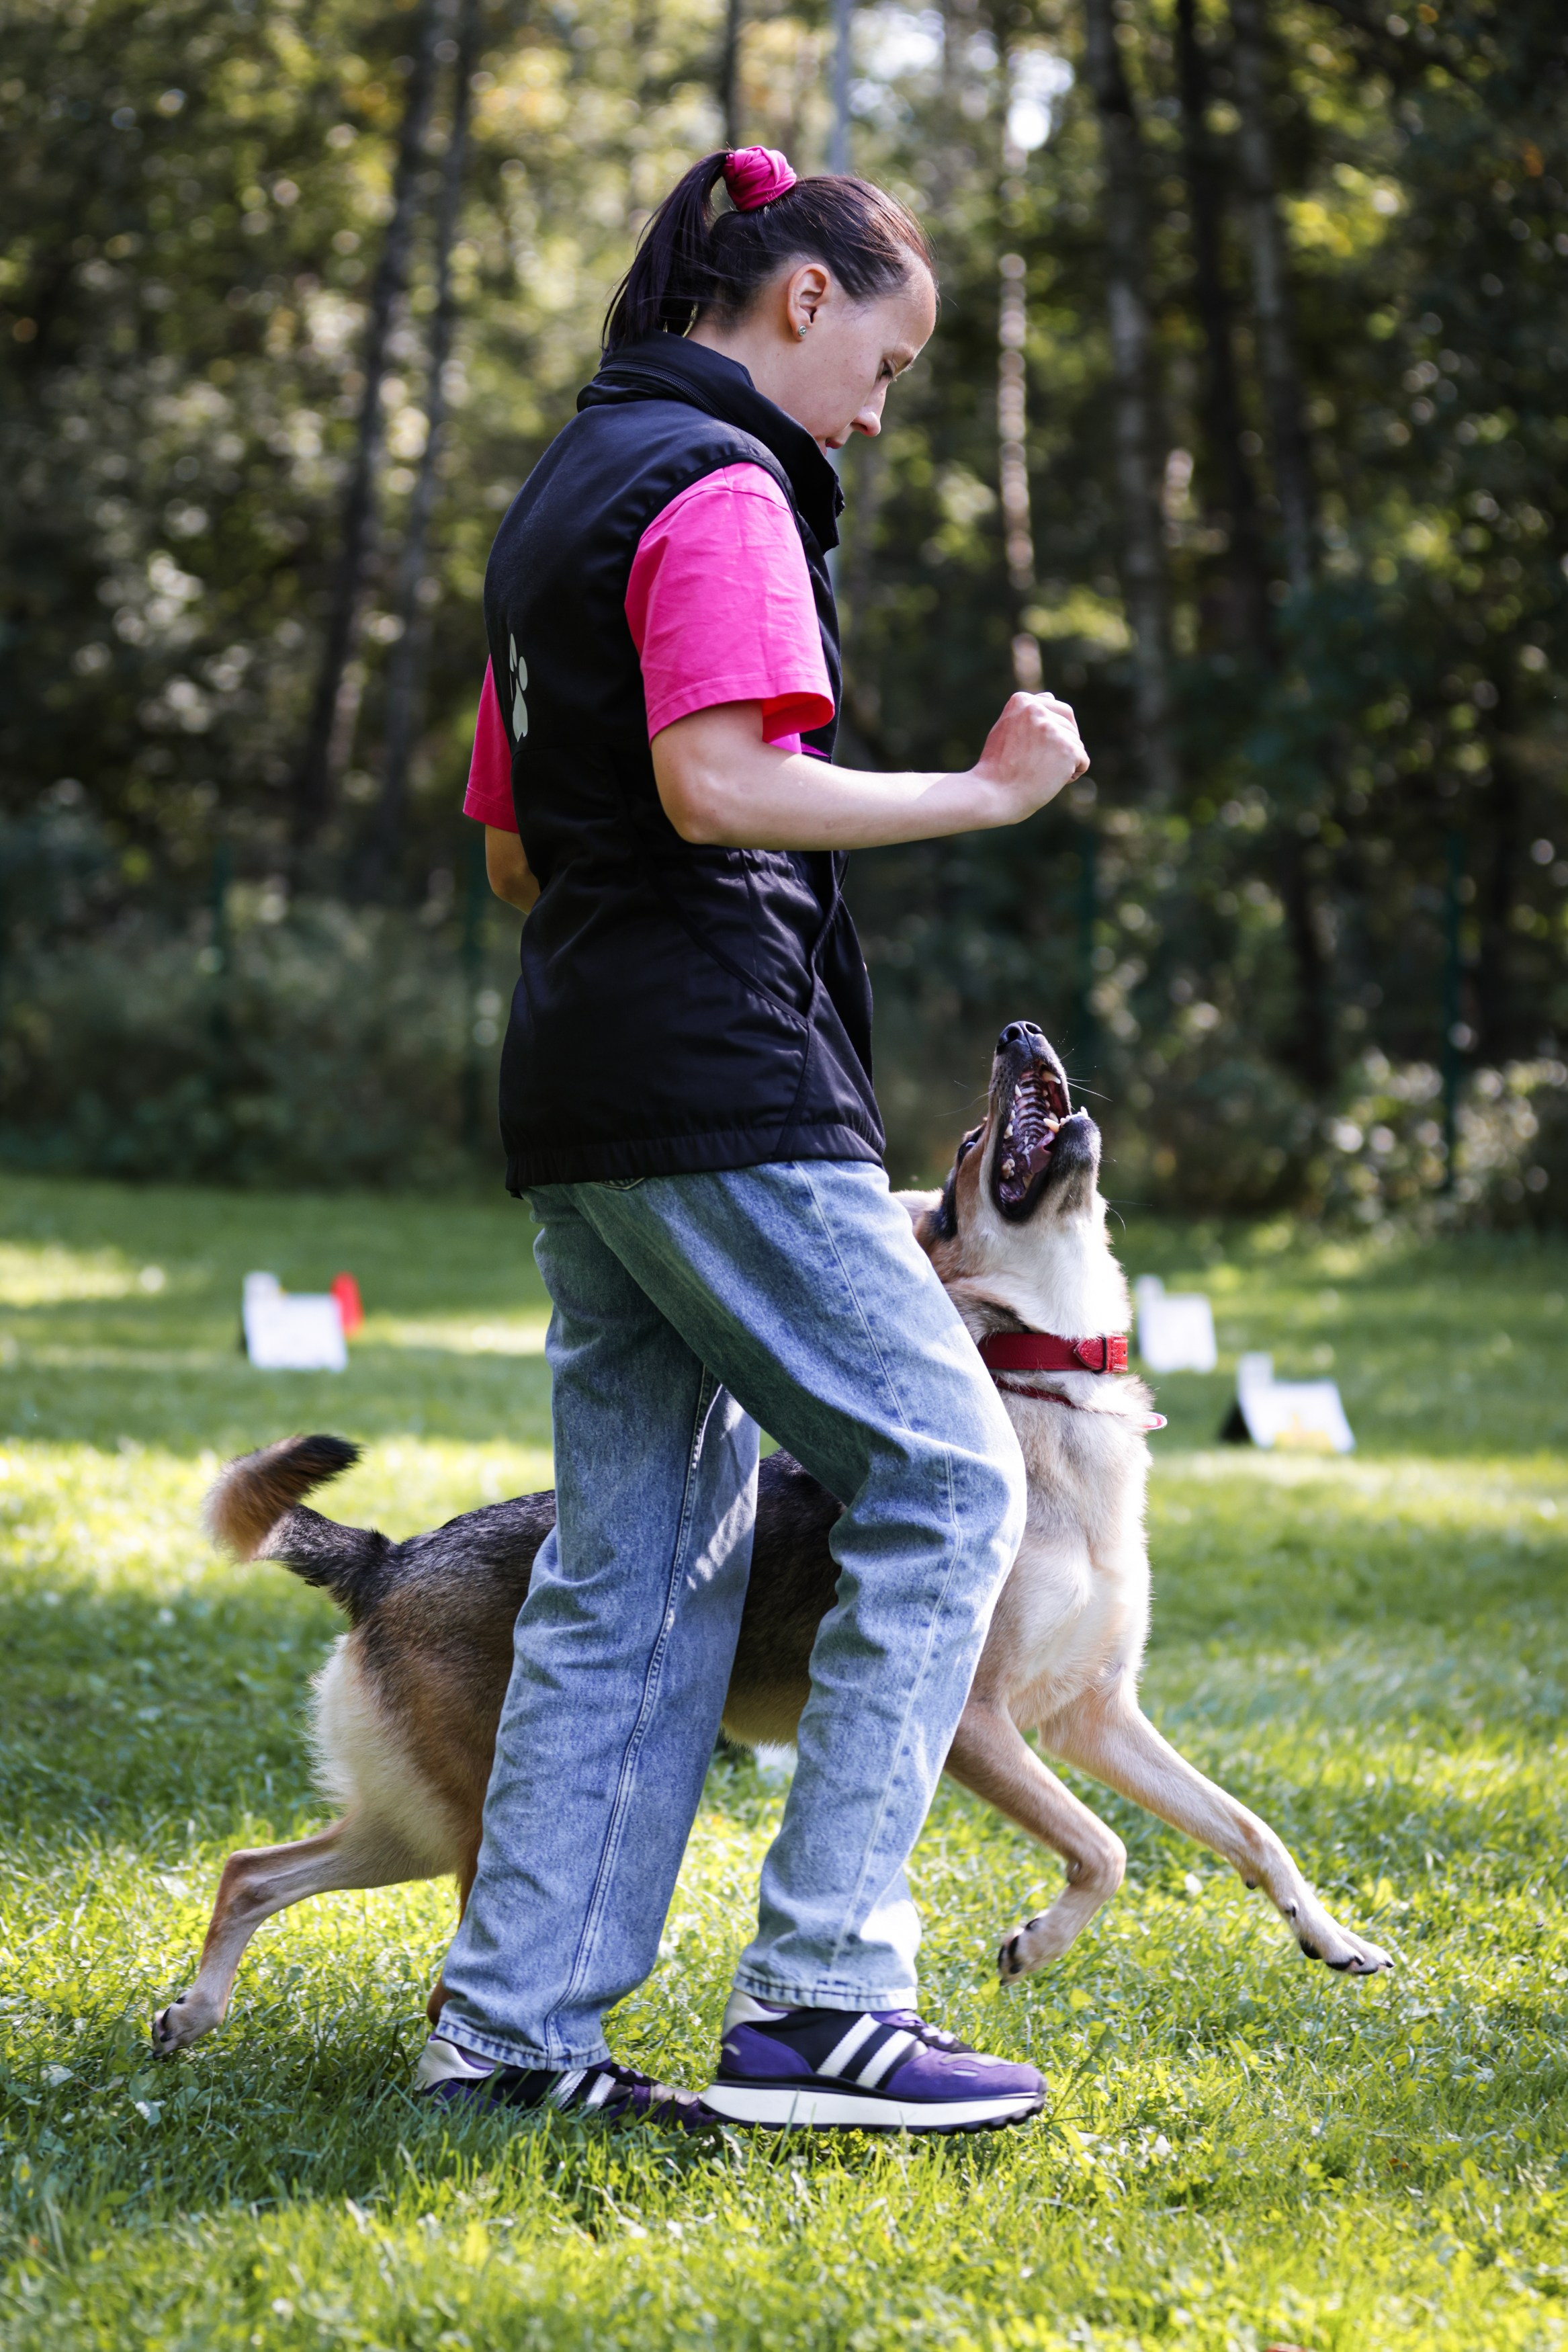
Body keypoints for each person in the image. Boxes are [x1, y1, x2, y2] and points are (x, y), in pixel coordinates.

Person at [418, 144, 1088, 2134]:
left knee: (636, 1565)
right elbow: (720, 787)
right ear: (802, 299)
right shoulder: (720, 483)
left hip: (584, 1078)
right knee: (953, 1474)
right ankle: (822, 2000)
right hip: (719, 1066)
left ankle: (512, 2035)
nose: (879, 414)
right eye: (884, 366)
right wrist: (979, 797)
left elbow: (520, 846)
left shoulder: (560, 491)